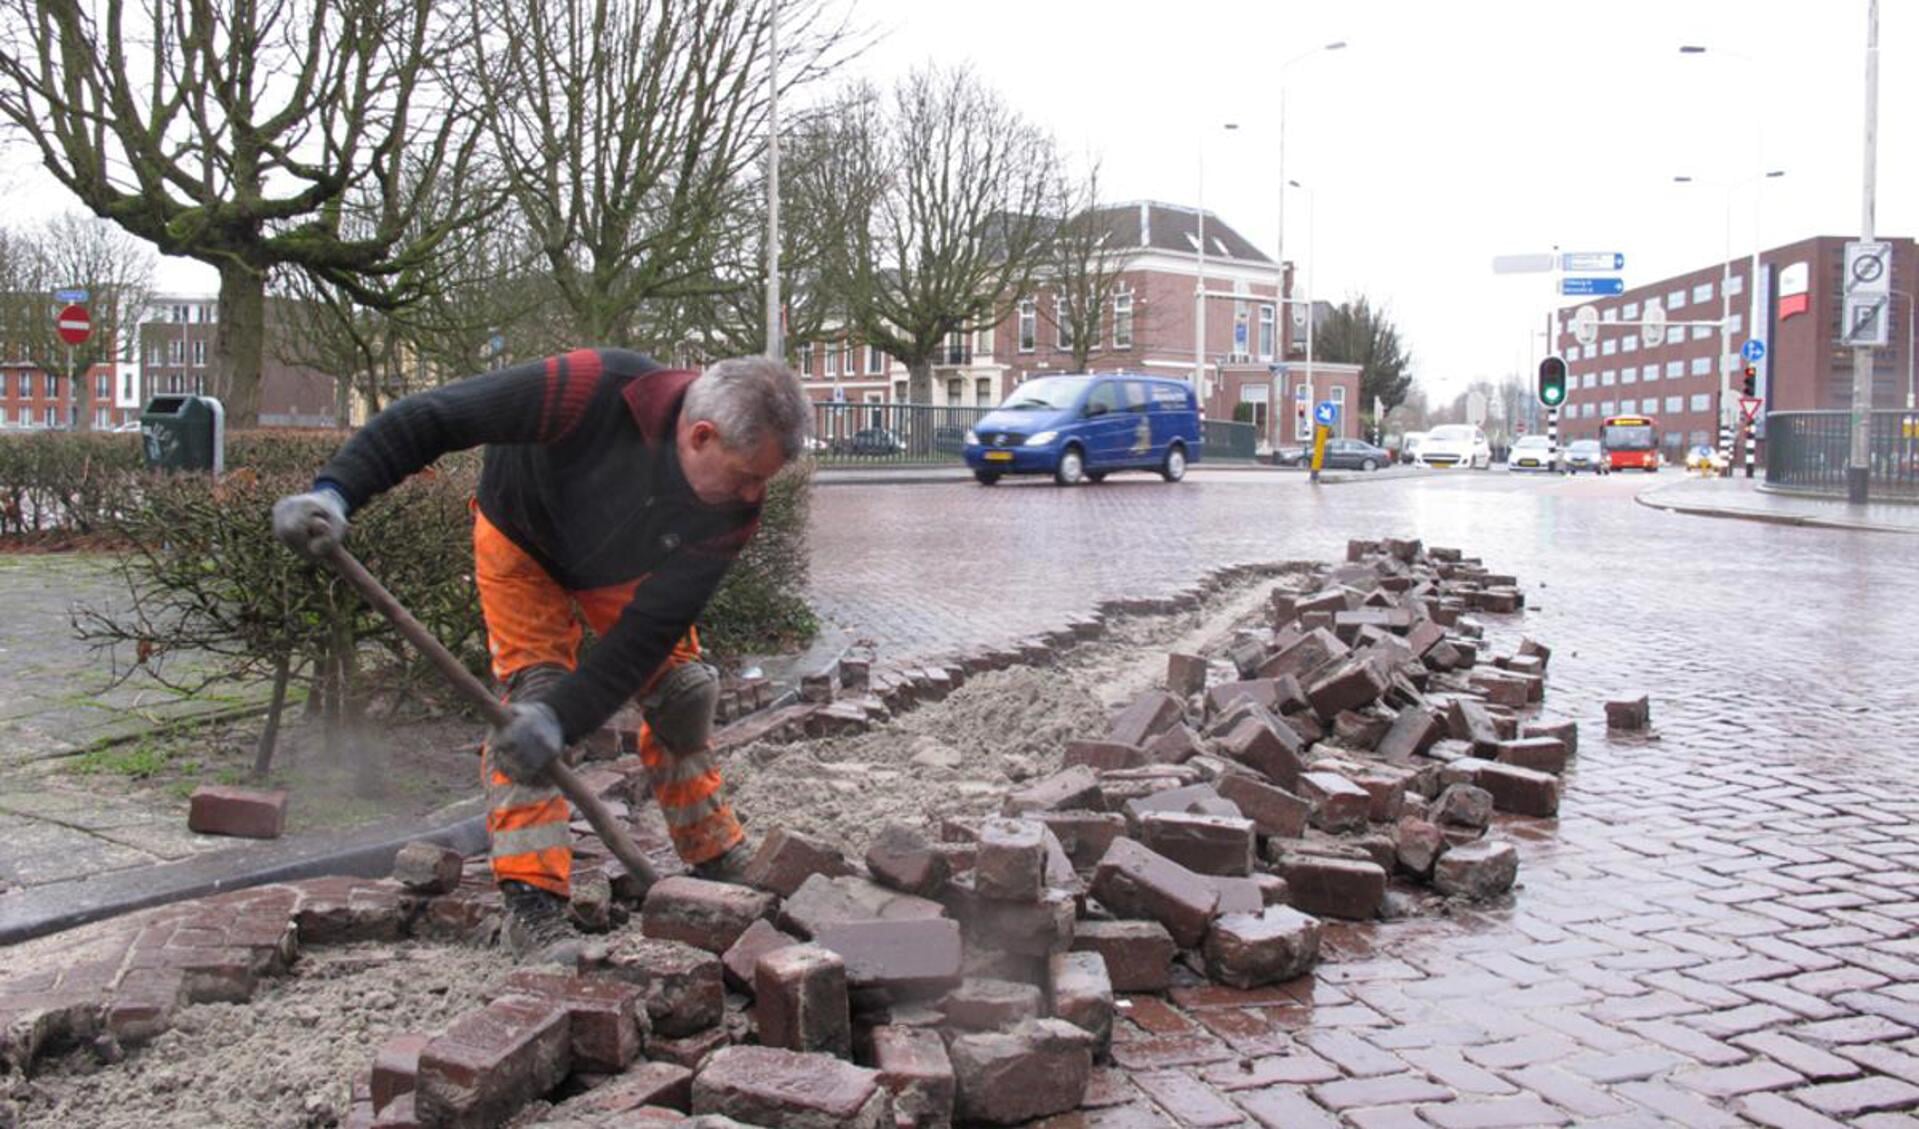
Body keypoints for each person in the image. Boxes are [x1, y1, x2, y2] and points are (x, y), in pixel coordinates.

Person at [272, 350, 810, 961]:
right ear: (701, 435)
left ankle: (713, 850)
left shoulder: (736, 507)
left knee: (683, 695)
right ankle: (534, 906)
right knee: (529, 711)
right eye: (745, 476)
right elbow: (435, 416)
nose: (752, 494)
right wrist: (336, 492)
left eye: (762, 480)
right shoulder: (589, 389)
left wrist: (570, 717)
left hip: (627, 567)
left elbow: (649, 634)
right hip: (523, 541)